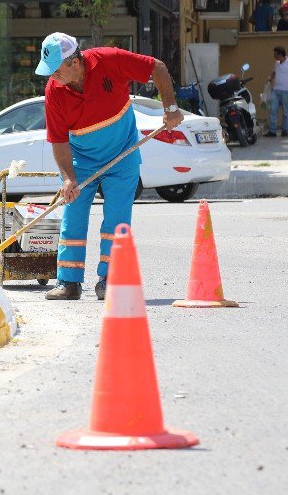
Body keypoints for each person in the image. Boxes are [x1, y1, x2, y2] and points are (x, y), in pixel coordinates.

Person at [36, 33, 184, 301]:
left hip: (123, 152)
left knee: (117, 220)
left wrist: (170, 106)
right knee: (73, 217)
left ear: (75, 63)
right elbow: (58, 141)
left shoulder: (110, 60)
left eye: (56, 70)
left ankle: (109, 280)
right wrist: (68, 179)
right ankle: (68, 282)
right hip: (81, 159)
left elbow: (157, 68)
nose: (52, 77)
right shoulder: (54, 91)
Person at [265, 46, 288, 138]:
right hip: (275, 90)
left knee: (286, 112)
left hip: (287, 91)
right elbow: (274, 72)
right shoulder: (276, 63)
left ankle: (285, 131)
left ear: (280, 54)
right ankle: (272, 131)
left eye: (275, 54)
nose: (274, 56)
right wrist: (270, 78)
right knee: (273, 110)